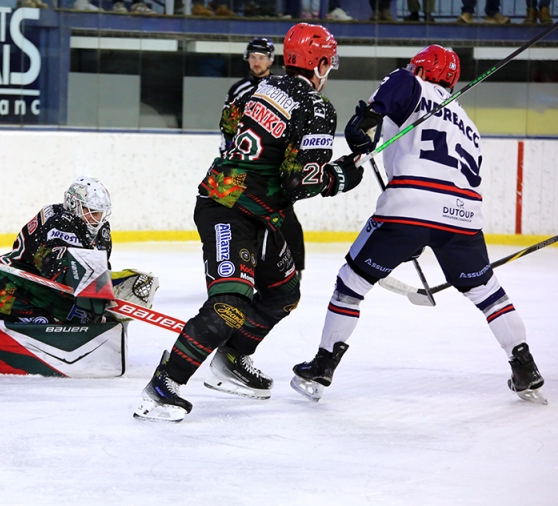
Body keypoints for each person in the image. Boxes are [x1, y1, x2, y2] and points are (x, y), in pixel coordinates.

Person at [290, 45, 547, 405]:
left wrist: (363, 127)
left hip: (408, 207)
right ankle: (525, 367)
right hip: (463, 215)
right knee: (487, 292)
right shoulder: (470, 126)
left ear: (423, 70)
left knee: (352, 282)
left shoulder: (409, 82)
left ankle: (322, 364)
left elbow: (383, 104)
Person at [134, 23, 365, 422]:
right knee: (230, 305)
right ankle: (164, 385)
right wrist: (341, 175)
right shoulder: (316, 107)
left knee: (282, 293)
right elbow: (301, 181)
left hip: (258, 210)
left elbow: (229, 126)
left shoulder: (259, 87)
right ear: (321, 63)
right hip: (229, 208)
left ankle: (231, 359)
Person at [220, 37, 307, 272]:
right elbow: (227, 128)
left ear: (271, 60)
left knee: (283, 220)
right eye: (253, 56)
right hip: (237, 167)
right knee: (226, 212)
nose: (256, 62)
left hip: (268, 171)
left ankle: (293, 270)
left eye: (261, 57)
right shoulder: (238, 89)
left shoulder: (282, 86)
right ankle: (230, 265)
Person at [0, 176, 113, 325]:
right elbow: (58, 267)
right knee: (85, 317)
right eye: (91, 211)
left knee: (95, 317)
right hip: (13, 295)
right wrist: (92, 296)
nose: (96, 218)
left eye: (99, 212)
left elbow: (95, 268)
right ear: (74, 204)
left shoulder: (100, 230)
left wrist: (109, 284)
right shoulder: (59, 223)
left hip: (41, 293)